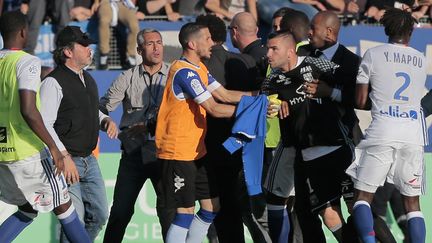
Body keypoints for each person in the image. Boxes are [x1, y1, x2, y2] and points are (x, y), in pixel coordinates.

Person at [155, 22, 255, 243]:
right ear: (192, 43)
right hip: (178, 152)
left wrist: (259, 98)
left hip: (197, 151)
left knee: (212, 206)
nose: (213, 43)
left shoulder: (200, 68)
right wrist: (255, 110)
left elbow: (226, 95)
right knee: (185, 212)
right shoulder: (184, 72)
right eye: (207, 38)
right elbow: (214, 108)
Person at [0, 10, 91, 243]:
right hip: (28, 152)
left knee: (27, 208)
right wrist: (53, 147)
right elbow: (28, 109)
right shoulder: (27, 62)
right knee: (65, 206)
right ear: (23, 32)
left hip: (3, 154)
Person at [346, 8, 427, 243]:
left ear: (386, 30)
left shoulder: (373, 54)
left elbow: (361, 102)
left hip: (383, 131)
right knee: (412, 203)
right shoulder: (420, 59)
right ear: (410, 33)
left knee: (362, 197)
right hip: (413, 134)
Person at [39, 26, 118, 243]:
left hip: (88, 159)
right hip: (64, 162)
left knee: (100, 215)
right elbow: (44, 124)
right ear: (68, 52)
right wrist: (63, 157)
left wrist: (105, 119)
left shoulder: (88, 79)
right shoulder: (53, 82)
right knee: (75, 220)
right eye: (83, 45)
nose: (89, 48)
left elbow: (92, 109)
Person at [100, 28, 176, 243]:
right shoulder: (127, 77)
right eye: (150, 43)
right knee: (121, 212)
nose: (156, 47)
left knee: (168, 211)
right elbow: (103, 108)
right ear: (139, 49)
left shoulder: (173, 75)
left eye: (159, 42)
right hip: (134, 152)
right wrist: (105, 121)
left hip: (164, 151)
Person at [195, 13, 262, 243]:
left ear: (206, 36)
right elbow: (256, 102)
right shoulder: (247, 61)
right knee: (246, 209)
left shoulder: (201, 66)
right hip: (247, 147)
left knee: (220, 209)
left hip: (213, 148)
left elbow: (213, 105)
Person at [98, 0, 139, 69]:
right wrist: (96, 3)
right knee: (104, 21)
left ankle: (131, 55)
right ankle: (104, 53)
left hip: (123, 3)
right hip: (106, 2)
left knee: (134, 25)